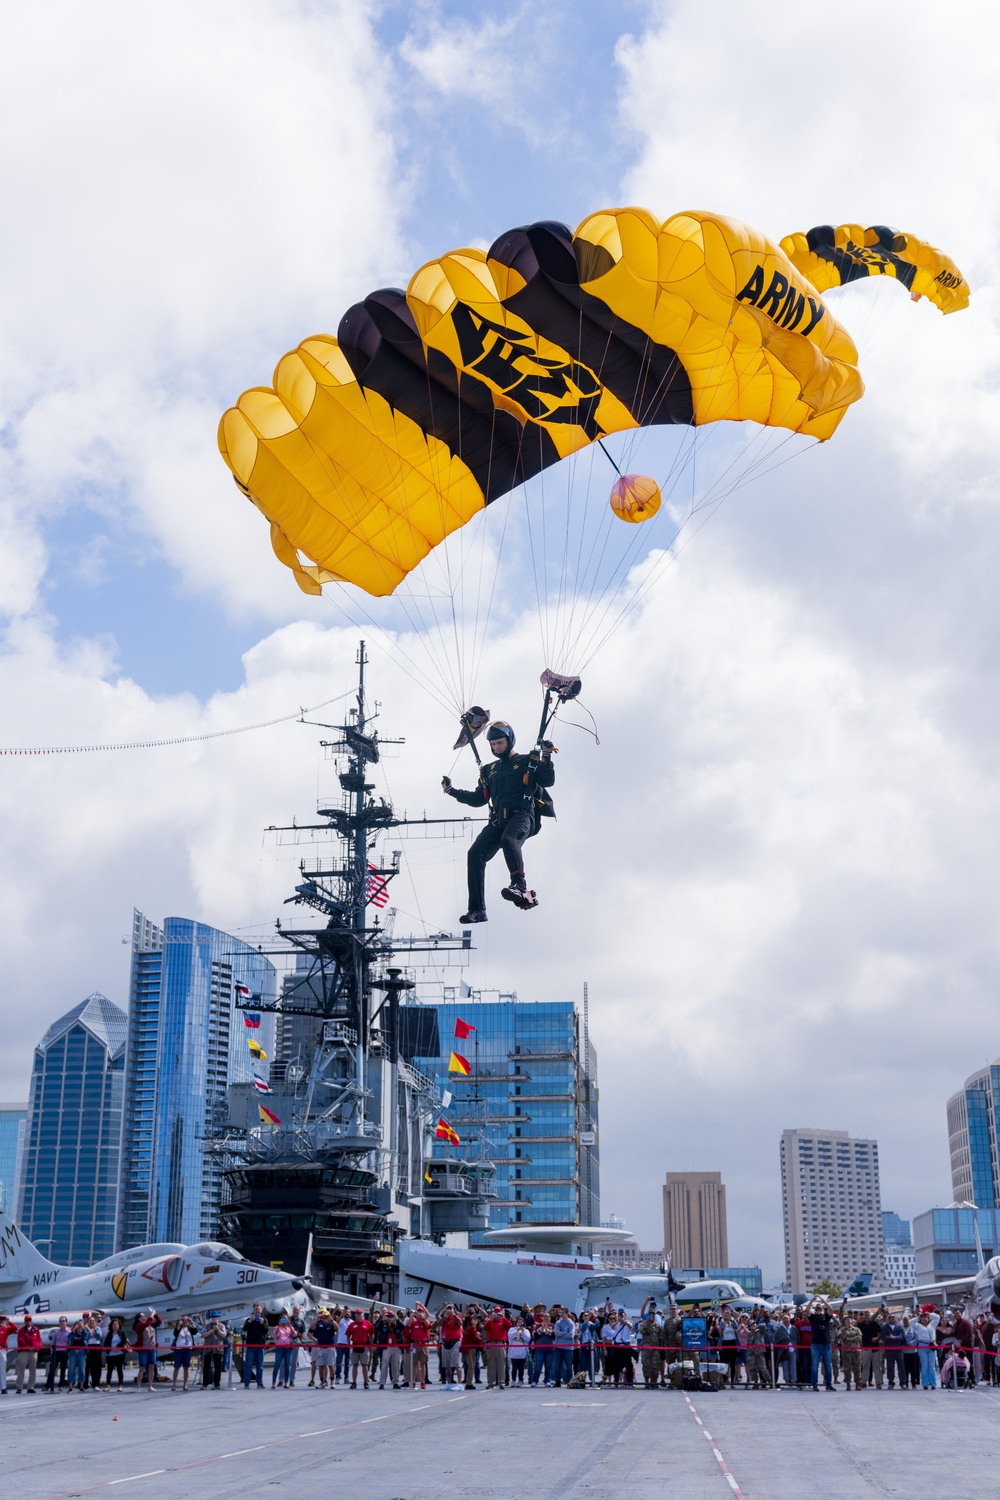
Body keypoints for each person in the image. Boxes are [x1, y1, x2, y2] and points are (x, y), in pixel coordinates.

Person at [443, 721, 555, 921]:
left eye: (499, 743)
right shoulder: (488, 770)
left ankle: (519, 886)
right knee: (475, 853)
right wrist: (453, 792)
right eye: (493, 744)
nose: (496, 748)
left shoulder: (527, 761)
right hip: (498, 819)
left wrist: (545, 757)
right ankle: (477, 910)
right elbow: (479, 798)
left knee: (509, 840)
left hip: (522, 815)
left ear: (509, 740)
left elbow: (547, 781)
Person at [806, 1296, 836, 1392]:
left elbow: (831, 1309)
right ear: (815, 1309)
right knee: (814, 1365)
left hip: (826, 1344)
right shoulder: (813, 1317)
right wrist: (812, 1300)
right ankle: (814, 1385)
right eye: (817, 1306)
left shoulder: (826, 1317)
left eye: (820, 1306)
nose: (818, 1307)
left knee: (828, 1365)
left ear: (822, 1309)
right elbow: (806, 1310)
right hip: (815, 1345)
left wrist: (823, 1300)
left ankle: (828, 1385)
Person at [242, 1305, 270, 1390]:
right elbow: (244, 1329)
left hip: (260, 1345)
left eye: (259, 1309)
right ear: (253, 1311)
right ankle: (247, 1383)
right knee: (248, 1365)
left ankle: (260, 1383)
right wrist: (250, 1321)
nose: (257, 1311)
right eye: (256, 1309)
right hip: (251, 1346)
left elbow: (266, 1330)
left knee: (260, 1366)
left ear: (261, 1310)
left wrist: (262, 1323)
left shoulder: (264, 1320)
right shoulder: (249, 1319)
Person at [911, 1309, 940, 1389]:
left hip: (931, 1346)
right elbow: (911, 1323)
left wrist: (929, 1314)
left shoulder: (932, 1325)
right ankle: (925, 1383)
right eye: (922, 1317)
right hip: (922, 1346)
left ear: (928, 1318)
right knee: (924, 1366)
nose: (924, 1318)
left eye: (925, 1317)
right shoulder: (918, 1326)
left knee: (932, 1366)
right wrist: (918, 1317)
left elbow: (937, 1317)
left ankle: (933, 1383)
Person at [347, 1307, 374, 1390]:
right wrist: (349, 1346)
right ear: (355, 1315)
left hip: (364, 1346)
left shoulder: (367, 1323)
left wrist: (371, 1344)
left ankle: (365, 1382)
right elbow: (348, 1335)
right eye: (357, 1314)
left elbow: (372, 1333)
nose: (359, 1315)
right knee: (354, 1365)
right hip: (355, 1346)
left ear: (363, 1314)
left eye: (360, 1314)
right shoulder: (352, 1324)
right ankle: (354, 1382)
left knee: (364, 1365)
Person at [14, 1315, 42, 1394]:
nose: (28, 1322)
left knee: (33, 1368)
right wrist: (28, 1347)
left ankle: (31, 1386)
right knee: (21, 1368)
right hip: (24, 1351)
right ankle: (19, 1386)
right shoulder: (21, 1330)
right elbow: (21, 1340)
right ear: (24, 1322)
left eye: (29, 1320)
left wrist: (35, 1347)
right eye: (27, 1320)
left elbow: (39, 1340)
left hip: (33, 1351)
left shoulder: (36, 1330)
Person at [437, 1305, 463, 1387]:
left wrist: (454, 1315)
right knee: (447, 1365)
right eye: (447, 1309)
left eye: (450, 1308)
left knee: (457, 1365)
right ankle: (449, 1383)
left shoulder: (457, 1317)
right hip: (445, 1343)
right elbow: (439, 1323)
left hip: (455, 1342)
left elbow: (460, 1323)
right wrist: (444, 1317)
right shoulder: (444, 1319)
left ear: (453, 1310)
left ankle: (459, 1383)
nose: (448, 1310)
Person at [312, 1307, 338, 1388]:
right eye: (323, 1316)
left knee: (331, 1365)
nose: (324, 1317)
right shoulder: (319, 1323)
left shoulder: (331, 1324)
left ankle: (332, 1382)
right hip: (321, 1347)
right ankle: (322, 1382)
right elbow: (312, 1328)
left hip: (330, 1347)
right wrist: (317, 1319)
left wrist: (331, 1319)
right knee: (321, 1365)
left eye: (326, 1316)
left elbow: (337, 1328)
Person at [839, 1308, 864, 1391]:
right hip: (846, 1352)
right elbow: (842, 1337)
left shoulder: (857, 1329)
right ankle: (848, 1384)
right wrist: (849, 1337)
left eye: (849, 1321)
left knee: (857, 1368)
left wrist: (849, 1339)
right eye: (847, 1321)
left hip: (856, 1351)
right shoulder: (842, 1330)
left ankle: (857, 1384)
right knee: (847, 1368)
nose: (848, 1322)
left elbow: (859, 1337)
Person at [550, 1307, 575, 1389]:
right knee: (557, 1365)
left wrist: (562, 1333)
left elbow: (571, 1335)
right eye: (560, 1313)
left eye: (563, 1313)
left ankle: (569, 1381)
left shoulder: (571, 1323)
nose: (561, 1314)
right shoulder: (558, 1322)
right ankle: (557, 1381)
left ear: (567, 1313)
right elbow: (556, 1333)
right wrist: (565, 1333)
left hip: (568, 1348)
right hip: (558, 1347)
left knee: (569, 1366)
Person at [45, 1316, 71, 1392]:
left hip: (64, 1352)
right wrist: (52, 1352)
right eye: (61, 1321)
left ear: (66, 1322)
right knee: (52, 1369)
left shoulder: (69, 1332)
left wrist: (68, 1351)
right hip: (56, 1352)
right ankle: (48, 1385)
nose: (62, 1322)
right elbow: (53, 1343)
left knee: (63, 1370)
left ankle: (61, 1385)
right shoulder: (56, 1332)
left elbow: (69, 1343)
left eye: (63, 1321)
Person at [201, 1313, 226, 1390]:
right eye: (213, 1317)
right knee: (206, 1367)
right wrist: (212, 1331)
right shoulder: (207, 1326)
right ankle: (205, 1384)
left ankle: (217, 1384)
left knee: (217, 1367)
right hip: (208, 1348)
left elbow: (224, 1336)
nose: (214, 1318)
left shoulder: (222, 1326)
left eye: (216, 1317)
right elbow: (203, 1335)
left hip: (218, 1349)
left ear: (218, 1317)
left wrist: (217, 1330)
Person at [271, 1316, 295, 1389]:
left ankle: (286, 1382)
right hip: (280, 1348)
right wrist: (279, 1325)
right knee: (277, 1365)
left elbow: (294, 1334)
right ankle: (273, 1383)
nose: (284, 1321)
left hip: (288, 1348)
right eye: (283, 1319)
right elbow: (276, 1335)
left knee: (287, 1366)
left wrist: (290, 1325)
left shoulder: (289, 1328)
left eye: (285, 1319)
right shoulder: (277, 1328)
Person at [461, 1313, 483, 1390]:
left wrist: (478, 1337)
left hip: (473, 1349)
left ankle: (469, 1382)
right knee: (470, 1366)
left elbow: (477, 1340)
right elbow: (469, 1336)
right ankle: (468, 1383)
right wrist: (477, 1335)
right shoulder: (470, 1328)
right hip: (469, 1349)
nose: (474, 1321)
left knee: (472, 1367)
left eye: (475, 1319)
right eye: (473, 1319)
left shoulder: (475, 1329)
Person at [105, 1319, 129, 1390]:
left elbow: (124, 1341)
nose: (115, 1325)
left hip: (120, 1353)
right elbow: (106, 1343)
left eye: (116, 1324)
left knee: (119, 1369)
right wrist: (112, 1348)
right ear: (111, 1326)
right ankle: (108, 1385)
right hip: (110, 1354)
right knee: (109, 1370)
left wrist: (117, 1347)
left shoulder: (122, 1333)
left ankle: (120, 1385)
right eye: (114, 1324)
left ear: (119, 1325)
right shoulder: (109, 1334)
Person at [507, 1317, 531, 1383]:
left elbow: (528, 1339)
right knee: (514, 1368)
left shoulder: (526, 1331)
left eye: (521, 1322)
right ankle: (513, 1380)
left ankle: (520, 1380)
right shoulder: (512, 1329)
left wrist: (522, 1332)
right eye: (518, 1322)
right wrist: (516, 1330)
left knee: (521, 1368)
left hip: (522, 1353)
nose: (520, 1324)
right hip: (513, 1353)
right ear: (516, 1323)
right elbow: (510, 1336)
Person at [83, 1315, 104, 1390]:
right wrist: (88, 1330)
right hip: (88, 1348)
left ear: (95, 1322)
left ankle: (96, 1384)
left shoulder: (98, 1328)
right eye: (90, 1321)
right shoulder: (85, 1329)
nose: (92, 1322)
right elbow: (84, 1337)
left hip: (97, 1347)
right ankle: (85, 1384)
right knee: (87, 1366)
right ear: (87, 1322)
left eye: (93, 1321)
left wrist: (94, 1329)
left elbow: (99, 1337)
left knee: (97, 1367)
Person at [67, 1320, 87, 1391]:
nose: (79, 1326)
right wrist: (74, 1330)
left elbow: (86, 1337)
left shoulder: (84, 1332)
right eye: (77, 1325)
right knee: (72, 1369)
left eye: (80, 1325)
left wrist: (82, 1329)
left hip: (81, 1352)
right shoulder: (73, 1333)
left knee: (82, 1368)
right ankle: (70, 1386)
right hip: (73, 1352)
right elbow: (69, 1337)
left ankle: (81, 1385)